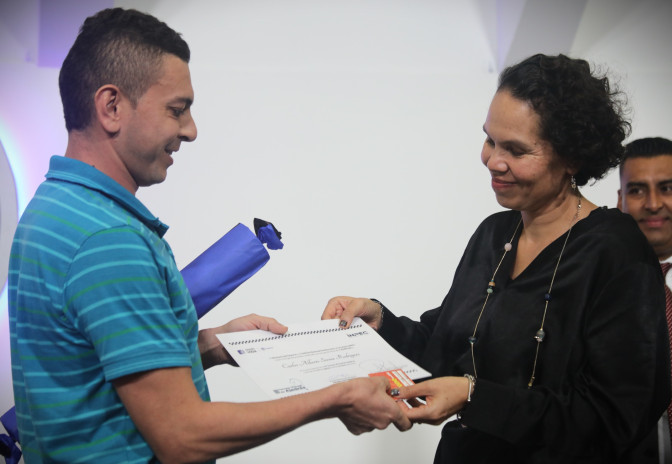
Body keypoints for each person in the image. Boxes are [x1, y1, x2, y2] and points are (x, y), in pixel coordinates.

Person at [8, 8, 410, 464]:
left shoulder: (56, 207)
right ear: (112, 107)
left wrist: (212, 344)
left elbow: (95, 376)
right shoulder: (109, 240)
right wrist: (336, 398)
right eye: (176, 110)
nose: (191, 130)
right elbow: (181, 436)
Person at [322, 54, 670, 463]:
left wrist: (474, 397)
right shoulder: (494, 234)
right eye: (490, 140)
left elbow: (617, 415)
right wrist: (380, 321)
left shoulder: (616, 249)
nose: (493, 161)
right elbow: (446, 346)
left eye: (516, 150)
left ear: (572, 158)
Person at [618, 136, 672, 461]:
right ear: (620, 200)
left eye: (667, 188)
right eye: (637, 190)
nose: (653, 204)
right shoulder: (593, 287)